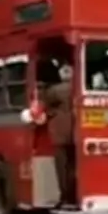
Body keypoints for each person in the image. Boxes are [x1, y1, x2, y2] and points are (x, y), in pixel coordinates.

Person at [43, 61, 77, 206]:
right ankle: (74, 194)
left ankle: (64, 196)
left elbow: (46, 107)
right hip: (75, 130)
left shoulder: (53, 91)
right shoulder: (76, 89)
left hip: (59, 131)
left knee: (61, 165)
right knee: (73, 165)